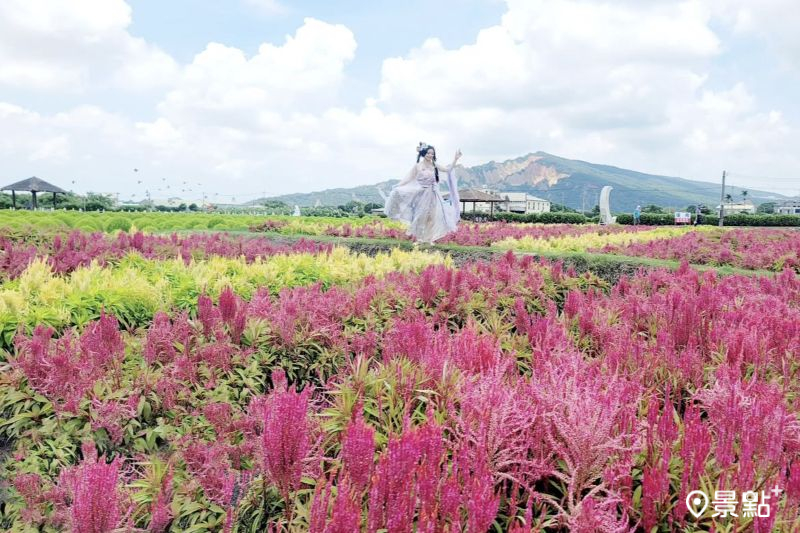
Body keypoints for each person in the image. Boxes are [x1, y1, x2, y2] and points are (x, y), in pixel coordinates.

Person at [384, 142, 462, 245]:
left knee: (432, 217)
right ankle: (420, 239)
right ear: (423, 153)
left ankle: (429, 239)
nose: (430, 155)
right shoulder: (418, 166)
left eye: (432, 153)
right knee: (420, 217)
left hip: (433, 194)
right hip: (421, 194)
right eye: (428, 153)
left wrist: (455, 159)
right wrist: (399, 186)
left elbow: (448, 169)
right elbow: (408, 178)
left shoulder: (434, 165)